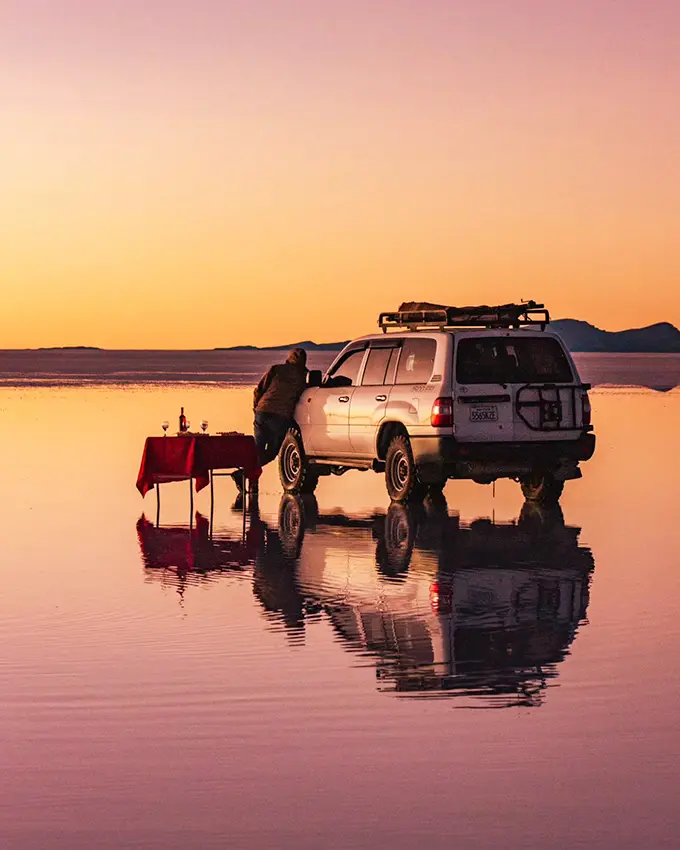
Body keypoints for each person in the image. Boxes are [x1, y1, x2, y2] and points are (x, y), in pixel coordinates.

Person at [234, 347, 308, 494]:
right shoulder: (303, 375)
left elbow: (259, 390)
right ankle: (243, 475)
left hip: (262, 412)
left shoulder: (276, 369)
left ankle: (250, 482)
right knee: (272, 452)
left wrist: (256, 408)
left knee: (258, 450)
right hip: (280, 417)